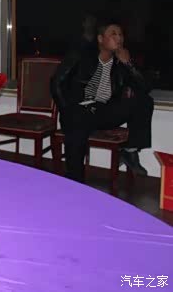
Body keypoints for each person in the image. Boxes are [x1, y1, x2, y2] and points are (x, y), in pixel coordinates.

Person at [50, 19, 153, 182]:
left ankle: (129, 151)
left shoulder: (120, 62)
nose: (119, 38)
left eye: (121, 34)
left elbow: (145, 87)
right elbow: (56, 83)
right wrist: (67, 109)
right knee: (76, 132)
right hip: (79, 109)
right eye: (113, 34)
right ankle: (74, 182)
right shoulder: (80, 54)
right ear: (100, 39)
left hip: (104, 111)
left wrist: (129, 64)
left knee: (144, 101)